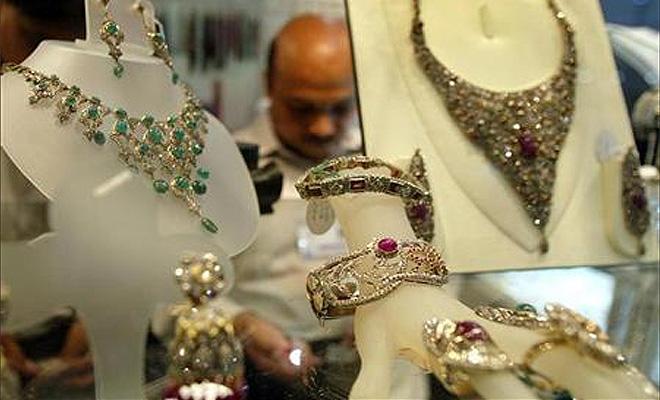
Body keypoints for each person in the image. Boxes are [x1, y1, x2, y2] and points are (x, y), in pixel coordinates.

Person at [223, 14, 428, 400]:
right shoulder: (225, 170)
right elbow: (173, 289)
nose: (321, 127)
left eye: (339, 107)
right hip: (264, 378)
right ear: (269, 83)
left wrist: (399, 304)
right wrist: (241, 324)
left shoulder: (394, 164)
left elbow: (445, 262)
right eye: (302, 108)